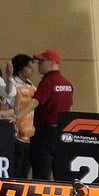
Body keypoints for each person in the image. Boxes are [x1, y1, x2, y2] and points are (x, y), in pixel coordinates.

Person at [30, 49, 73, 180]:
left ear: (52, 62)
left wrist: (17, 115)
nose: (39, 64)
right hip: (62, 133)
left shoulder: (48, 81)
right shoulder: (67, 84)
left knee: (41, 174)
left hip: (45, 133)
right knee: (61, 174)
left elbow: (35, 102)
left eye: (42, 61)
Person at [7, 54, 39, 178]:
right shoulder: (13, 85)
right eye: (29, 67)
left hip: (29, 134)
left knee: (25, 172)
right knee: (16, 171)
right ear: (20, 69)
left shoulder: (33, 87)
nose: (33, 70)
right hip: (16, 135)